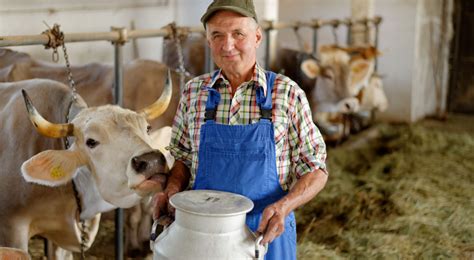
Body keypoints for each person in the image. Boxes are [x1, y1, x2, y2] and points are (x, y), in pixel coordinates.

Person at [153, 0, 328, 259]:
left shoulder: (286, 93)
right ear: (209, 41)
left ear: (257, 37)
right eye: (217, 35)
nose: (228, 45)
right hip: (201, 237)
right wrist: (172, 191)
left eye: (238, 34)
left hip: (266, 234)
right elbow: (183, 158)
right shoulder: (194, 93)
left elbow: (315, 169)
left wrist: (284, 207)